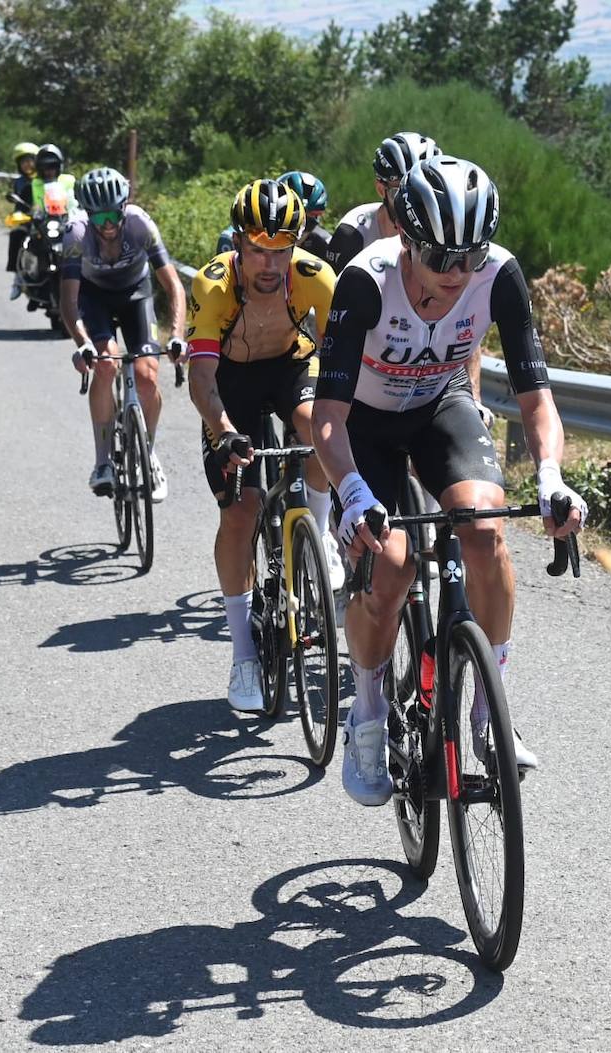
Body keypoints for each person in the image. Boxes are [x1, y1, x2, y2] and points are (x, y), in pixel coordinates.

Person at [311, 155, 587, 807]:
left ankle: (491, 716)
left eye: (471, 255)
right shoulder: (364, 281)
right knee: (392, 564)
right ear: (405, 242)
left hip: (440, 407)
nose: (459, 274)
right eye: (442, 257)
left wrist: (550, 476)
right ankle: (370, 715)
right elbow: (328, 416)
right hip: (369, 425)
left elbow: (536, 396)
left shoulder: (499, 275)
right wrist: (352, 495)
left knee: (486, 534)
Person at [186, 179, 341, 712]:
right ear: (238, 244)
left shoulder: (317, 278)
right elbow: (202, 378)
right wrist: (225, 429)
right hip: (231, 384)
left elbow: (343, 361)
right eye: (258, 250)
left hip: (291, 367)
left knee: (319, 431)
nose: (270, 264)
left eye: (281, 250)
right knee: (242, 509)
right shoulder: (213, 287)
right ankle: (245, 655)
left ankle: (318, 540)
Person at [62, 167, 186, 501]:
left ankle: (148, 452)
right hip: (94, 297)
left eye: (112, 214)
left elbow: (173, 284)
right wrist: (83, 343)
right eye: (98, 216)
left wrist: (176, 334)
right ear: (88, 214)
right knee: (106, 364)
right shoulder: (76, 235)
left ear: (123, 207)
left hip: (136, 293)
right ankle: (102, 462)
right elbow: (69, 301)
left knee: (147, 374)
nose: (107, 224)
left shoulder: (139, 224)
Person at [325, 133, 440, 274]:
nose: (413, 206)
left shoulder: (448, 234)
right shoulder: (351, 236)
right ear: (381, 189)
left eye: (424, 195)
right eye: (400, 194)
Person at [216, 171, 331, 262]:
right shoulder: (232, 239)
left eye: (308, 223)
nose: (298, 235)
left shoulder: (324, 242)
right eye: (287, 223)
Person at [7, 141, 38, 300]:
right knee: (16, 236)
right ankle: (18, 277)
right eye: (23, 161)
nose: (27, 164)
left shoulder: (44, 178)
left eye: (30, 160)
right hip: (27, 220)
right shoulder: (19, 182)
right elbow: (18, 204)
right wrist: (18, 216)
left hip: (48, 220)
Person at [31, 144, 76, 214]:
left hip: (68, 219)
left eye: (53, 166)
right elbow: (24, 204)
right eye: (45, 167)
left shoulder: (70, 180)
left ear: (59, 166)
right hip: (42, 222)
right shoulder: (34, 183)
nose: (49, 171)